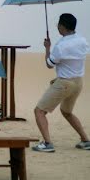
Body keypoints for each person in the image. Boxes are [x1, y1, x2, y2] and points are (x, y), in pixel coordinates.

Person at [33, 13, 90, 152]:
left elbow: (49, 64)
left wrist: (47, 47)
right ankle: (85, 140)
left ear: (62, 26)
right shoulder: (83, 40)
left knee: (39, 111)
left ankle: (47, 143)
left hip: (64, 83)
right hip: (78, 82)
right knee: (67, 111)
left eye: (58, 25)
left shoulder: (61, 45)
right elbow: (73, 61)